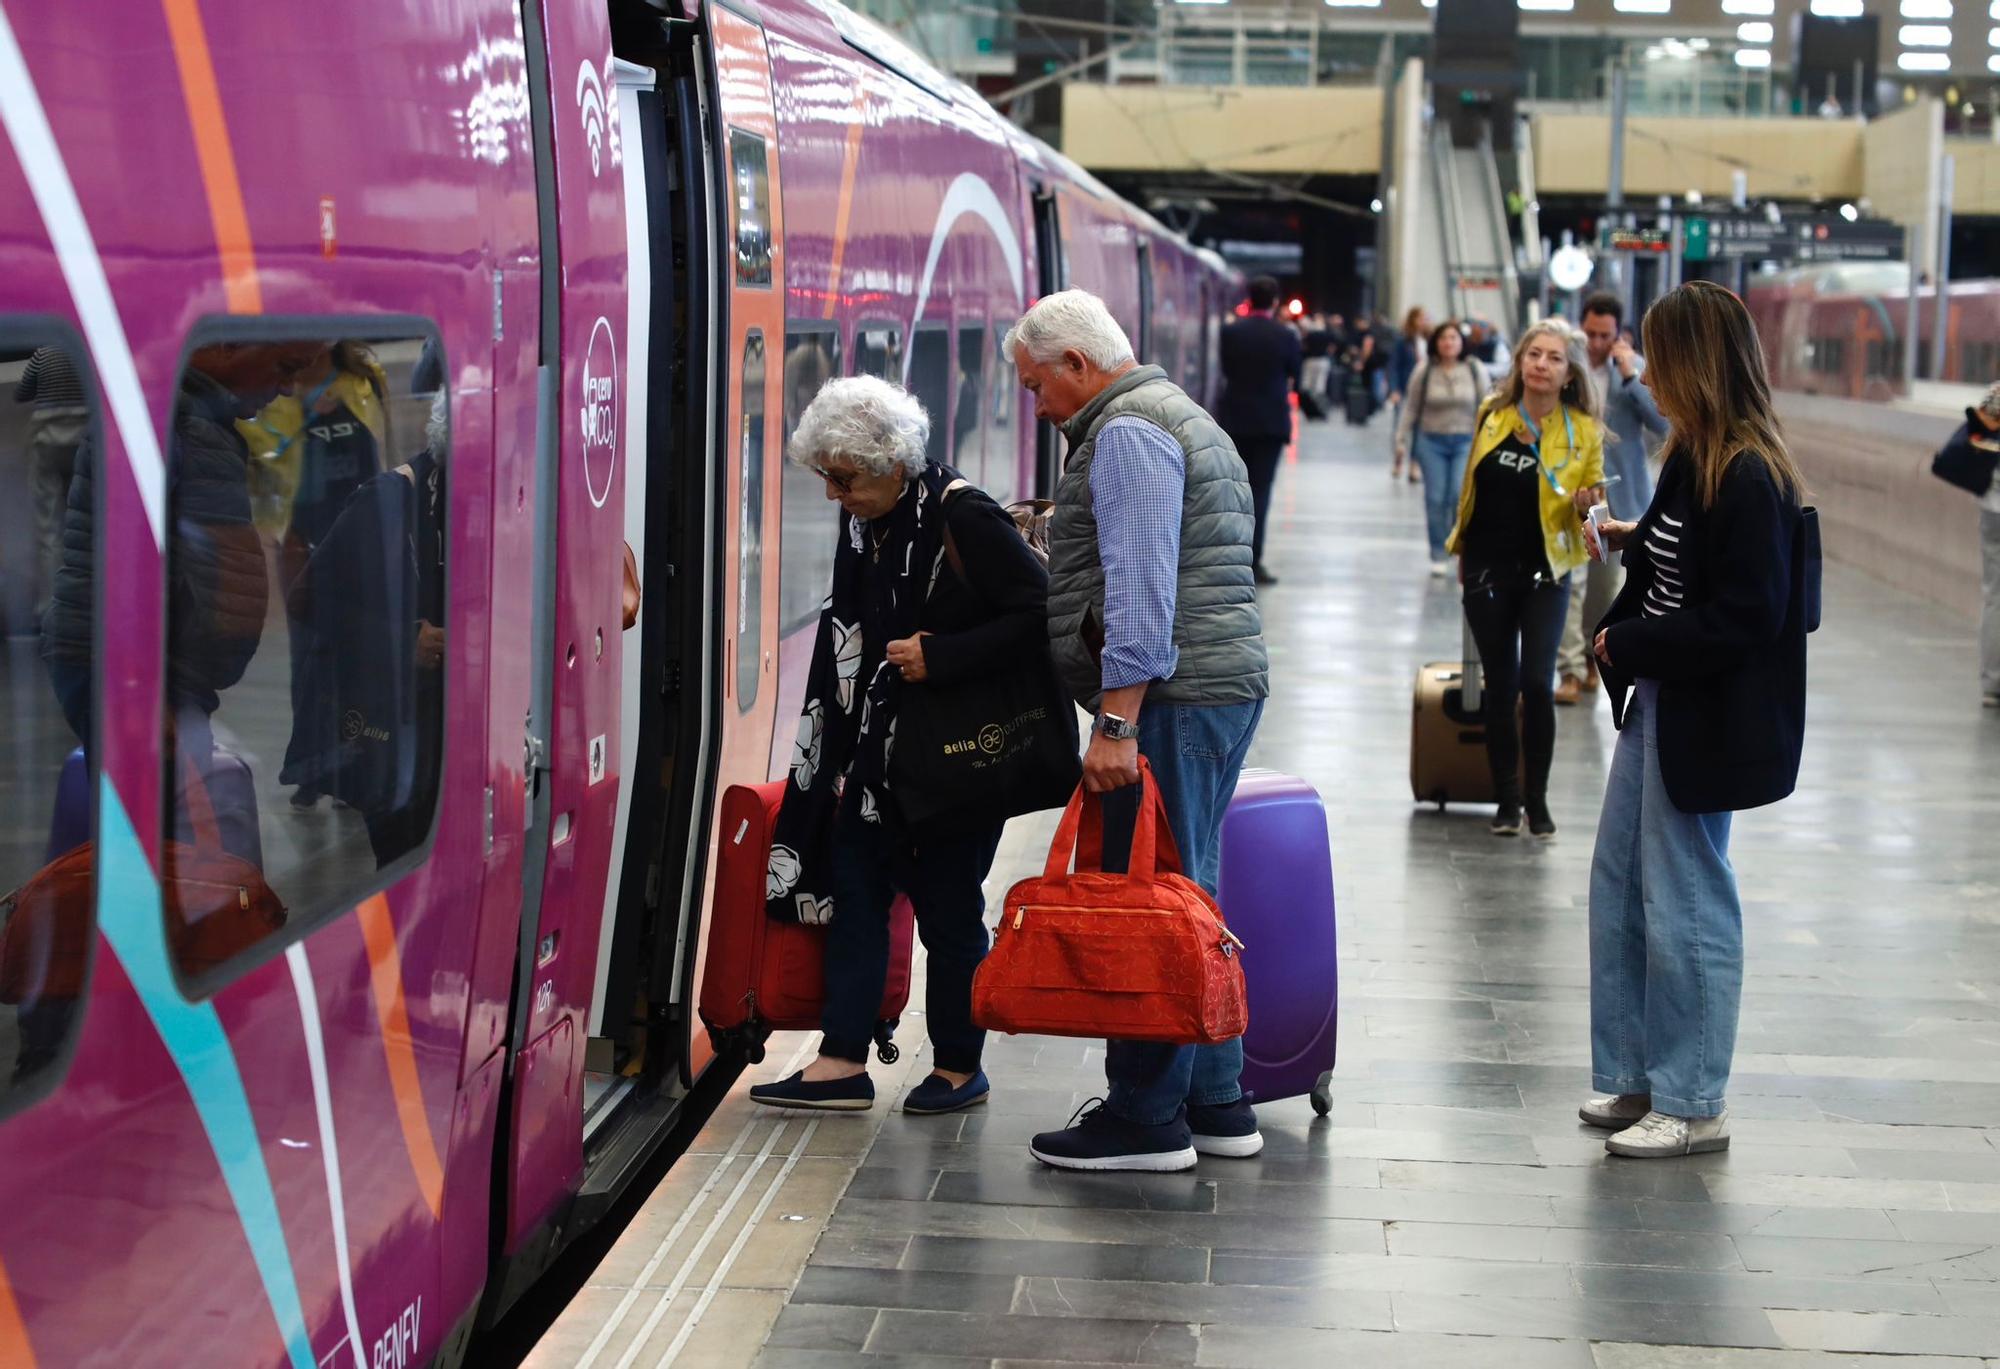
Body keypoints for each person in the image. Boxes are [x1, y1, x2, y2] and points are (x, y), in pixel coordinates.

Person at [1003, 289, 1269, 1173]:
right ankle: (1215, 1099)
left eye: (1036, 384)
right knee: (1191, 893)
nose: (1034, 405)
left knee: (1150, 899)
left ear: (1078, 366)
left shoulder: (1126, 434)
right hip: (1208, 689)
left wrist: (1117, 722)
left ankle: (1146, 1116)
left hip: (1170, 699)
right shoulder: (1175, 415)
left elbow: (1146, 590)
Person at [750, 376, 1052, 1116]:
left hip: (953, 762)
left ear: (890, 463)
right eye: (827, 477)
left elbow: (1040, 610)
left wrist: (941, 656)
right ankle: (842, 1059)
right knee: (857, 896)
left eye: (844, 478)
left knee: (950, 913)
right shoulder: (869, 520)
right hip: (880, 757)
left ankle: (958, 1066)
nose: (833, 494)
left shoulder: (964, 514)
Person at [1582, 280, 1811, 1158]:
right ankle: (1640, 1073)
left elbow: (1748, 617)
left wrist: (1636, 642)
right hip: (1663, 703)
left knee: (1686, 897)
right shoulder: (1692, 453)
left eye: (1656, 354)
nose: (1642, 370)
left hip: (1709, 711)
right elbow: (1675, 557)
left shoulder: (1751, 473)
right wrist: (1624, 554)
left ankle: (1694, 1097)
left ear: (1695, 363)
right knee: (1624, 888)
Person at [1446, 320, 1604, 839]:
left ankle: (1537, 799)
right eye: (1533, 354)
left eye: (1553, 358)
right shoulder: (1492, 415)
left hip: (1547, 570)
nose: (1540, 364)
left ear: (1568, 373)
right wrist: (1460, 547)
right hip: (1488, 570)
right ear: (1519, 362)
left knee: (1538, 683)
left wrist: (1589, 506)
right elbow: (1471, 485)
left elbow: (1598, 510)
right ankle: (1507, 802)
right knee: (1502, 684)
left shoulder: (1583, 431)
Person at [283, 386, 448, 867]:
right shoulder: (389, 500)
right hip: (397, 733)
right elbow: (307, 600)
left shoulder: (487, 506)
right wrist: (402, 643)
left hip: (458, 730)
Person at [241, 341, 390, 808]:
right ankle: (311, 767)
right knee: (305, 659)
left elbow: (380, 461)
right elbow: (259, 461)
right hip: (300, 544)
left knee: (355, 656)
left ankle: (352, 766)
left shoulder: (362, 385)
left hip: (356, 541)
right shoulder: (275, 393)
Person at [1556, 292, 1670, 706]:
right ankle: (1567, 667)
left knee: (1604, 588)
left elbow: (1661, 426)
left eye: (1605, 335)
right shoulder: (1568, 367)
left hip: (1621, 491)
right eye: (1590, 333)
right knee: (1570, 582)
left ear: (1618, 334)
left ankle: (1588, 658)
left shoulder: (1635, 372)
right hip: (1572, 488)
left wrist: (1627, 374)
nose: (1598, 342)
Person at [1215, 276, 1302, 588]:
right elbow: (1296, 373)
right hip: (1270, 424)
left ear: (1249, 299)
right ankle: (1253, 561)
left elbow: (1226, 369)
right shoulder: (1286, 335)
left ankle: (1227, 558)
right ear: (1275, 301)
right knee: (1260, 492)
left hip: (1235, 419)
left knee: (1233, 489)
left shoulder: (1231, 332)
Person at [1395, 321, 1491, 574]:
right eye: (1443, 338)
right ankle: (1438, 551)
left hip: (1465, 442)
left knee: (1457, 496)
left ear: (1462, 343)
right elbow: (1411, 407)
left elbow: (1488, 406)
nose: (1448, 343)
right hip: (1431, 441)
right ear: (1435, 343)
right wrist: (1400, 440)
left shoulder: (1473, 369)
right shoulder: (1424, 371)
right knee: (1435, 498)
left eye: (1453, 338)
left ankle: (1457, 544)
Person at [1933, 382, 2000, 706]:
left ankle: (1992, 684)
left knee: (1995, 597)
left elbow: (1978, 426)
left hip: (1993, 505)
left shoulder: (1997, 393)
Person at [14, 346, 89, 621]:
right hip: (86, 440)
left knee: (48, 529)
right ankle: (90, 599)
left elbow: (22, 393)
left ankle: (51, 607)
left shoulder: (43, 354)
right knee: (87, 524)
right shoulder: (90, 350)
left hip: (47, 441)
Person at [1387, 306, 1429, 479]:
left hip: (1424, 393)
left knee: (1420, 431)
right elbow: (1394, 366)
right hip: (1405, 390)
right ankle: (1398, 460)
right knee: (1400, 429)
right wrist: (1394, 389)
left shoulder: (1429, 340)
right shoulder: (1402, 341)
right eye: (1420, 318)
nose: (1423, 322)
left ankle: (1414, 464)